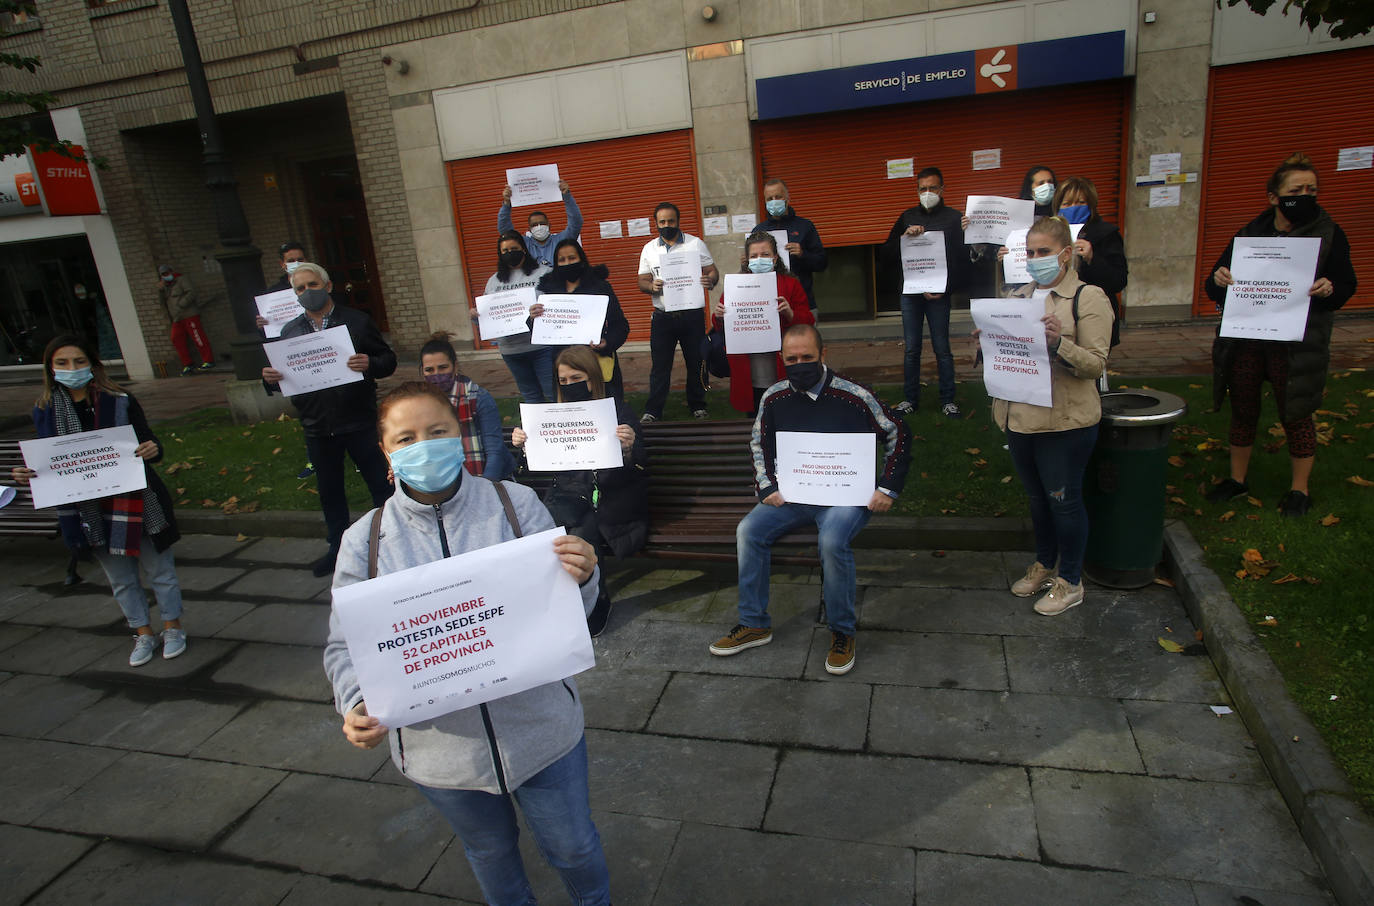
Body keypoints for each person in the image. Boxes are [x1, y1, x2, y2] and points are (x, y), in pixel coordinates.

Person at [325, 382, 611, 906]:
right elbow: (345, 647)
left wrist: (586, 575)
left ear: (459, 436)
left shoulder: (516, 504)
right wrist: (356, 702)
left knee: (573, 848)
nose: (424, 446)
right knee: (490, 855)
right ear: (386, 452)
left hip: (542, 732)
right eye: (406, 438)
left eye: (437, 432)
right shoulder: (364, 541)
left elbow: (575, 614)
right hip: (444, 756)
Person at [709, 324, 911, 675]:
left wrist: (887, 487)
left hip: (846, 497)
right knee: (748, 531)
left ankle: (842, 631)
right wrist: (766, 486)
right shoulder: (774, 397)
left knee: (832, 541)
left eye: (807, 357)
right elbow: (758, 443)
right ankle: (754, 622)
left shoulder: (854, 395)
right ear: (782, 359)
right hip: (794, 495)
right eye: (792, 359)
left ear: (823, 355)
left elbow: (898, 433)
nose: (799, 364)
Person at [12, 335, 188, 667]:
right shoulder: (45, 409)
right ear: (50, 369)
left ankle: (173, 626)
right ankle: (142, 632)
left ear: (93, 364)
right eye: (62, 363)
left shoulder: (119, 399)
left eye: (79, 362)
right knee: (121, 579)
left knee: (159, 570)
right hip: (89, 509)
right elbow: (46, 459)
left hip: (136, 498)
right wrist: (28, 472)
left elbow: (148, 440)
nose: (71, 369)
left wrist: (152, 449)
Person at [1203, 152, 1356, 517]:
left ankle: (1299, 489)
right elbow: (1215, 283)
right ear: (1274, 197)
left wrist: (1328, 288)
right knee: (1243, 409)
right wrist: (1219, 279)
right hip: (1248, 340)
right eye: (1295, 190)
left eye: (1311, 189)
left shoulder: (1329, 233)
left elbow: (1346, 285)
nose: (1305, 196)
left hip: (1297, 344)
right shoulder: (1250, 233)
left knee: (1297, 412)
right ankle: (1237, 480)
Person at [987, 216, 1113, 616]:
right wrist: (986, 339)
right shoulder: (1018, 298)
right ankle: (1045, 563)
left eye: (1044, 252)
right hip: (1020, 418)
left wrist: (1059, 343)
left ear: (1066, 253)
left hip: (1064, 423)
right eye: (1031, 253)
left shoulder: (1088, 298)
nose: (1036, 260)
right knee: (1038, 499)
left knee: (1064, 501)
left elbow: (1095, 364)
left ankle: (1071, 579)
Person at [261, 263, 396, 576]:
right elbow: (283, 376)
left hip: (359, 420)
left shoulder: (357, 321)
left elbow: (387, 360)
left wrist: (370, 363)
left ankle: (390, 543)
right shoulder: (290, 331)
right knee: (330, 492)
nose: (308, 292)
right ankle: (337, 550)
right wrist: (270, 379)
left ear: (328, 285)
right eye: (300, 288)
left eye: (312, 284)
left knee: (380, 485)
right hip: (317, 426)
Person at [511, 345, 647, 637]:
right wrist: (524, 445)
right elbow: (535, 466)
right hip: (569, 495)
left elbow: (639, 466)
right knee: (542, 530)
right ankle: (550, 602)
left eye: (577, 378)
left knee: (580, 533)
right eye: (564, 381)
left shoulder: (617, 411)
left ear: (593, 378)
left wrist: (628, 448)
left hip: (612, 497)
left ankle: (596, 601)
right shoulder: (552, 416)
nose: (570, 385)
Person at [882, 166, 968, 418]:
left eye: (932, 188)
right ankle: (910, 399)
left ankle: (948, 400)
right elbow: (886, 253)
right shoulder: (907, 216)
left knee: (942, 348)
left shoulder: (954, 218)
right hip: (911, 294)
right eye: (923, 188)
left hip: (939, 295)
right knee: (911, 349)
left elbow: (963, 260)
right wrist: (904, 236)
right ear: (917, 190)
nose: (927, 192)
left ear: (942, 189)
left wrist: (946, 288)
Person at [711, 231, 815, 416]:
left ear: (775, 258)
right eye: (754, 256)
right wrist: (719, 316)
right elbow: (721, 326)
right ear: (747, 259)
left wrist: (791, 314)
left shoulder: (791, 285)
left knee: (786, 415)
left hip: (782, 367)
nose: (760, 259)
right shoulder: (735, 286)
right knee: (755, 418)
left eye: (765, 255)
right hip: (749, 370)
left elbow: (808, 321)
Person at [637, 202, 719, 422]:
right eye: (662, 222)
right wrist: (651, 286)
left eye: (671, 221)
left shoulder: (695, 244)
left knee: (697, 362)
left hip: (691, 315)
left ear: (678, 221)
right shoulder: (649, 249)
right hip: (663, 317)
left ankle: (698, 405)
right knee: (660, 367)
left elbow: (712, 271)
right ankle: (653, 410)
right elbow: (642, 280)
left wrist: (709, 280)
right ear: (656, 224)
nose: (667, 225)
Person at [532, 239, 632, 401]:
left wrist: (607, 343)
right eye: (561, 260)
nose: (567, 263)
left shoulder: (600, 287)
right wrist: (533, 318)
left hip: (596, 361)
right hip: (563, 365)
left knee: (607, 408)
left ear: (581, 258)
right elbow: (539, 330)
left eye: (572, 258)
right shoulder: (549, 290)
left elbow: (620, 326)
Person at [418, 331, 516, 482]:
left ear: (455, 367)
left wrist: (484, 488)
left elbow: (494, 452)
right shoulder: (419, 405)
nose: (436, 374)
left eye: (443, 367)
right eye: (429, 370)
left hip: (488, 478)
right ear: (422, 372)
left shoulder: (478, 397)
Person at [477, 230, 554, 403]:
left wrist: (540, 311)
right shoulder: (494, 281)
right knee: (531, 396)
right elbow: (487, 316)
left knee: (553, 393)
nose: (510, 253)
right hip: (510, 350)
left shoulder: (544, 273)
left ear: (524, 249)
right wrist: (477, 315)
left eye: (514, 248)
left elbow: (557, 305)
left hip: (541, 347)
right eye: (505, 251)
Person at [262, 240, 316, 479]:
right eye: (290, 260)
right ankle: (315, 459)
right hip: (296, 356)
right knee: (309, 411)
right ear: (282, 264)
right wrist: (263, 326)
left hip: (321, 353)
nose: (295, 263)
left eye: (300, 258)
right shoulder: (272, 294)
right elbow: (273, 335)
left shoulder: (317, 284)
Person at [750, 178, 828, 314]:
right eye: (769, 199)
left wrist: (803, 254)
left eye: (778, 197)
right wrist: (748, 262)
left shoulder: (805, 226)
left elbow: (822, 263)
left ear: (787, 198)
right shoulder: (758, 231)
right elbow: (751, 273)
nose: (774, 201)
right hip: (767, 304)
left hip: (802, 302)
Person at [498, 178, 583, 267]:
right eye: (534, 225)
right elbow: (505, 230)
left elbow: (576, 222)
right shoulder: (524, 244)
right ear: (529, 229)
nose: (539, 227)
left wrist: (567, 196)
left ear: (549, 225)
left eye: (542, 223)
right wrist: (507, 203)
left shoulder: (562, 240)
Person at [157, 265, 214, 375]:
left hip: (189, 314)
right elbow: (162, 302)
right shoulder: (165, 286)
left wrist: (182, 304)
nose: (166, 276)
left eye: (167, 273)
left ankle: (208, 360)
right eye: (163, 275)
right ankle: (188, 364)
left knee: (198, 337)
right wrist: (160, 290)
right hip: (177, 318)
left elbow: (192, 292)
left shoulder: (181, 280)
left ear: (171, 271)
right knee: (176, 338)